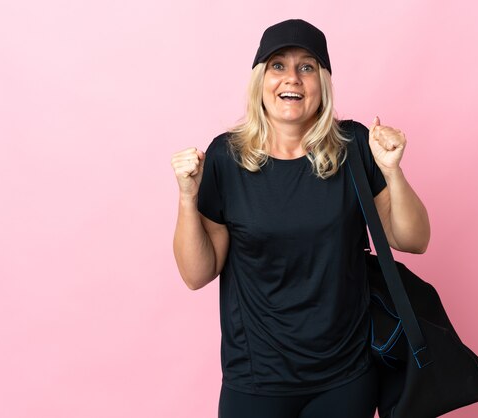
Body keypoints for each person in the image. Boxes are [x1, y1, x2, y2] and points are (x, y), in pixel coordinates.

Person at [171, 19, 430, 418]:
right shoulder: (226, 157)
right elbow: (196, 274)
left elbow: (413, 239)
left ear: (322, 82)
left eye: (307, 66)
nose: (292, 77)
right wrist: (188, 198)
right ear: (261, 80)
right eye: (278, 65)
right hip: (256, 379)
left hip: (345, 377)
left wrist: (393, 170)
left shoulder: (354, 146)